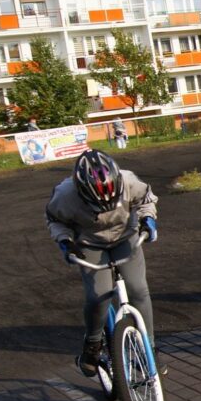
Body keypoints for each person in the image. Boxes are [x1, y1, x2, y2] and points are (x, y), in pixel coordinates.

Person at [45, 149, 159, 377]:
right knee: (99, 295)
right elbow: (56, 221)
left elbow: (147, 199)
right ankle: (93, 344)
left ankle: (149, 349)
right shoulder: (64, 195)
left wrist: (149, 220)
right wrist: (66, 242)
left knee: (138, 290)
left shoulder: (128, 181)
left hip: (125, 238)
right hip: (90, 244)